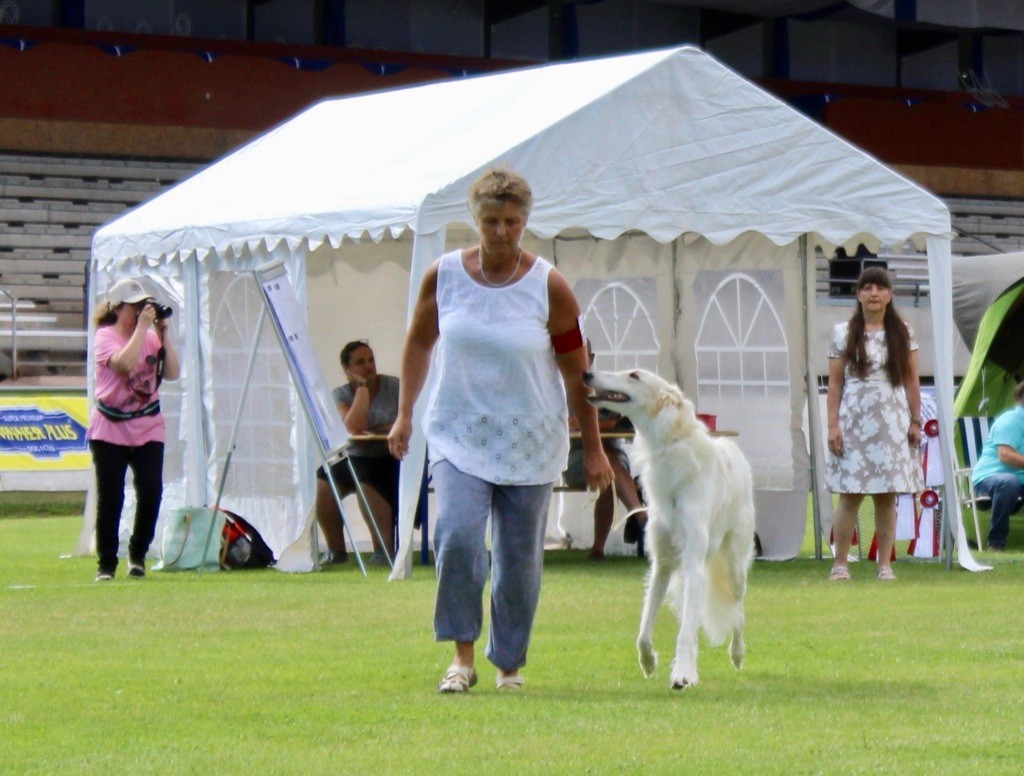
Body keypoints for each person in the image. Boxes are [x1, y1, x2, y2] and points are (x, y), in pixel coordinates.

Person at [387, 168, 613, 693]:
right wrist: (404, 412)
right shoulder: (442, 276)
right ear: (475, 220)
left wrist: (595, 446)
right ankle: (461, 658)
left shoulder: (548, 285)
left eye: (512, 222)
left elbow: (577, 371)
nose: (502, 231)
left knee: (518, 560)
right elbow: (420, 343)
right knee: (458, 536)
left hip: (530, 437)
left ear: (525, 221)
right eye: (491, 221)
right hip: (459, 431)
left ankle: (508, 663)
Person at [826, 266, 922, 582]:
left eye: (880, 288)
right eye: (867, 288)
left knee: (886, 495)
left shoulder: (903, 333)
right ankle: (841, 563)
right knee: (849, 495)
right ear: (858, 294)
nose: (874, 294)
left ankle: (885, 565)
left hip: (892, 421)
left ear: (890, 294)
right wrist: (832, 425)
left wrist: (915, 421)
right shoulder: (842, 333)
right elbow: (836, 383)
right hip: (853, 420)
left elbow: (911, 379)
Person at [88, 278, 180, 581]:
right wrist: (141, 329)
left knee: (152, 490)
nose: (141, 311)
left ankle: (138, 554)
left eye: (145, 306)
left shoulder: (152, 337)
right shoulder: (105, 336)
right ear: (118, 307)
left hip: (147, 424)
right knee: (111, 496)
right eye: (135, 306)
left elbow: (172, 372)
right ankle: (106, 563)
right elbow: (124, 364)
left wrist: (164, 335)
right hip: (110, 427)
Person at [315, 339, 400, 566]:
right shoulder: (341, 395)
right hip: (354, 456)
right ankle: (336, 550)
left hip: (388, 455)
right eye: (360, 362)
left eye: (371, 360)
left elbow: (402, 422)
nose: (369, 366)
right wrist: (362, 389)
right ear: (348, 370)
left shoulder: (394, 387)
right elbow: (353, 430)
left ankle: (383, 551)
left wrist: (375, 429)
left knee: (367, 480)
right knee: (323, 479)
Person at [564, 341, 647, 560]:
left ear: (591, 357)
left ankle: (600, 548)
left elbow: (629, 422)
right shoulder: (560, 391)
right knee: (606, 463)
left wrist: (586, 424)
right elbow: (557, 426)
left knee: (607, 464)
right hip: (577, 461)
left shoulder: (611, 388)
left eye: (582, 355)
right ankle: (641, 516)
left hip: (615, 462)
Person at [971, 381, 1024, 551]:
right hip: (988, 481)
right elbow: (1005, 455)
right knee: (1008, 481)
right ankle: (996, 542)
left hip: (1018, 481)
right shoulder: (1012, 420)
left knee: (1012, 481)